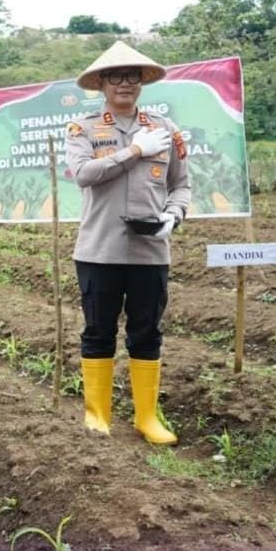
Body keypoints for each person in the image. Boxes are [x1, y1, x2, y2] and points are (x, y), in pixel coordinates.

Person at [65, 41, 191, 445]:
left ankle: (146, 418)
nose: (125, 84)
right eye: (116, 76)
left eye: (132, 76)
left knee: (147, 332)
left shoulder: (166, 130)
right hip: (99, 250)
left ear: (141, 83)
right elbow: (83, 173)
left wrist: (173, 216)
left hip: (150, 252)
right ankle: (97, 415)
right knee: (98, 331)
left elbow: (182, 186)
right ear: (101, 83)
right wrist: (135, 150)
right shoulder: (84, 129)